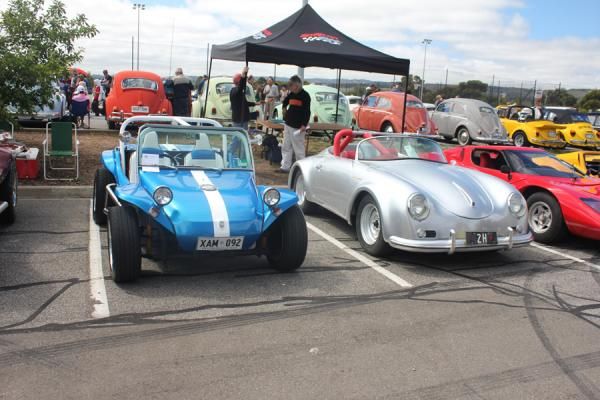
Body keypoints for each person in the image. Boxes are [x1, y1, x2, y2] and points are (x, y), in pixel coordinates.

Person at [279, 75, 311, 173]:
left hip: (298, 127)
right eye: (290, 87)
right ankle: (285, 166)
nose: (291, 89)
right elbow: (285, 101)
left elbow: (307, 112)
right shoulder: (291, 94)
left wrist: (304, 125)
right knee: (286, 146)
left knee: (299, 149)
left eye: (292, 87)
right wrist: (284, 108)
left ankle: (301, 169)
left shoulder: (305, 96)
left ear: (298, 85)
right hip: (288, 124)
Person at [230, 66, 256, 131]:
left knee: (243, 135)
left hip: (243, 119)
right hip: (239, 119)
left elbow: (244, 103)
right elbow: (240, 87)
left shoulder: (239, 92)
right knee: (237, 136)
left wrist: (255, 103)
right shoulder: (234, 91)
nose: (245, 83)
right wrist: (243, 74)